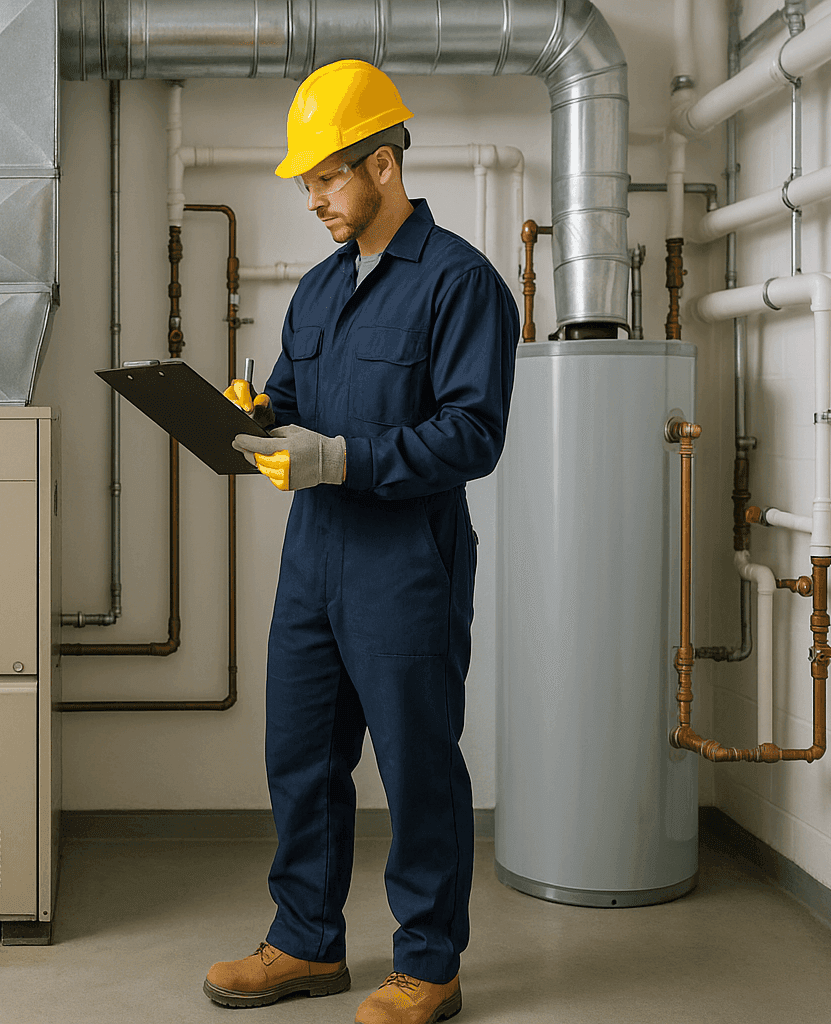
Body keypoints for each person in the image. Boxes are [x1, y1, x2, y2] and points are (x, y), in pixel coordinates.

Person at [206, 60, 519, 1024]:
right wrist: (251, 416)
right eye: (305, 183)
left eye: (327, 179)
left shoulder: (460, 283)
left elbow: (474, 434)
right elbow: (296, 406)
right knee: (300, 756)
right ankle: (305, 943)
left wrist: (340, 459)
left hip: (406, 564)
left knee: (418, 763)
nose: (314, 201)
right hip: (315, 564)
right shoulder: (317, 288)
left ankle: (429, 964)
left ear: (383, 165)